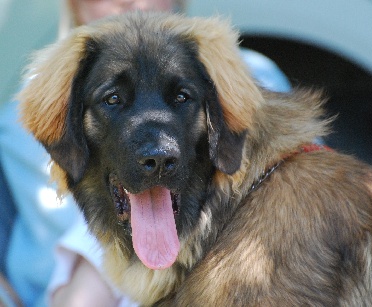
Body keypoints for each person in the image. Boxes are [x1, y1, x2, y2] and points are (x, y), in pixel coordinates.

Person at [0, 0, 291, 306]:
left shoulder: (248, 74)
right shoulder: (20, 119)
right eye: (113, 99)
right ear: (74, 6)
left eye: (181, 97)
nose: (127, 1)